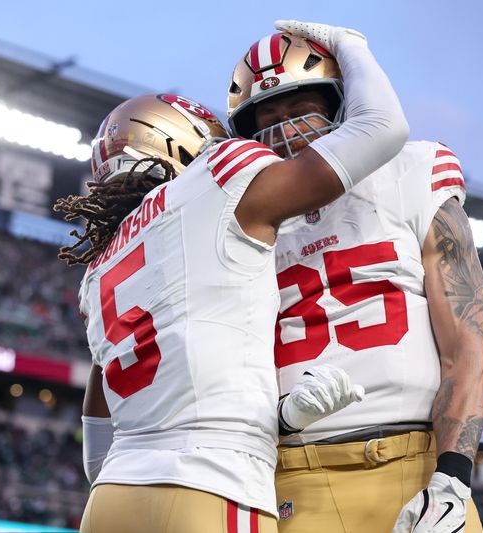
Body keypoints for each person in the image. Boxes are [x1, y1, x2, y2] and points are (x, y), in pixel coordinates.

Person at [55, 21, 410, 533]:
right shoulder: (219, 175)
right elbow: (382, 127)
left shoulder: (100, 266)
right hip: (211, 484)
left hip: (112, 498)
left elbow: (97, 446)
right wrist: (350, 48)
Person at [227, 20, 483, 533]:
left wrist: (452, 479)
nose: (285, 132)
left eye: (301, 110)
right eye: (268, 120)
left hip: (415, 466)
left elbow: (467, 344)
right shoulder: (244, 216)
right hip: (293, 476)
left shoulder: (413, 171)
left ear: (342, 106)